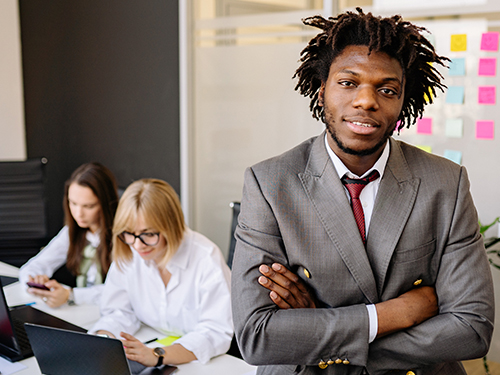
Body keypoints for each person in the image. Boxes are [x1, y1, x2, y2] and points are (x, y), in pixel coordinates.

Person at [231, 8, 495, 375]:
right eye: (348, 82)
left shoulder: (444, 183)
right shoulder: (269, 183)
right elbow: (257, 335)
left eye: (387, 89)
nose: (367, 101)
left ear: (403, 102)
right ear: (322, 91)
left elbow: (470, 328)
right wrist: (393, 314)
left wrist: (319, 331)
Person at [88, 178, 232, 367]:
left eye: (149, 234)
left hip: (199, 364)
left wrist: (158, 355)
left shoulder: (206, 257)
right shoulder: (130, 250)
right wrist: (103, 339)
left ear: (171, 226)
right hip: (150, 346)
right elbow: (120, 312)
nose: (138, 245)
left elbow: (215, 331)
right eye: (129, 233)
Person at [19, 162, 118, 308]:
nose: (78, 214)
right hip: (83, 310)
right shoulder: (72, 231)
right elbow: (32, 267)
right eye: (73, 203)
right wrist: (36, 281)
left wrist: (70, 295)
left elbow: (121, 291)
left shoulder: (125, 237)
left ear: (106, 203)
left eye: (88, 206)